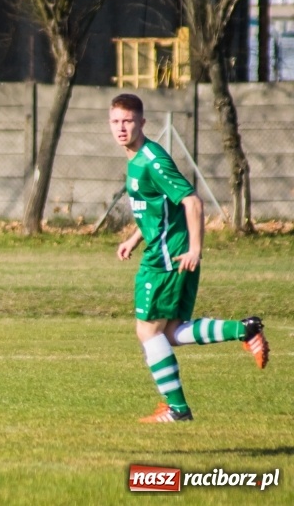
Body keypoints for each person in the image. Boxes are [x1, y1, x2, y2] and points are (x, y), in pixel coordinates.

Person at [109, 93, 270, 423]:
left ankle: (177, 408)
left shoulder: (152, 159)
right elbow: (158, 209)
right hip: (164, 250)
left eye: (128, 121)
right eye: (115, 121)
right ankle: (245, 330)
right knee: (169, 333)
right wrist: (135, 237)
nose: (121, 128)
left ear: (141, 122)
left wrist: (195, 249)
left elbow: (192, 202)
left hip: (168, 256)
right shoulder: (135, 159)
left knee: (148, 331)